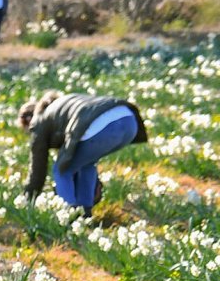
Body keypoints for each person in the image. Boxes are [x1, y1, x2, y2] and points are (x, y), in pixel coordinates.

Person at [19, 91, 148, 218]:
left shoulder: (39, 119)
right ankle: (85, 213)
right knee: (86, 164)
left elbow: (38, 168)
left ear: (28, 120)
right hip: (129, 120)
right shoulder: (64, 105)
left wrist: (28, 198)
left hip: (102, 125)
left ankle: (68, 215)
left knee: (62, 170)